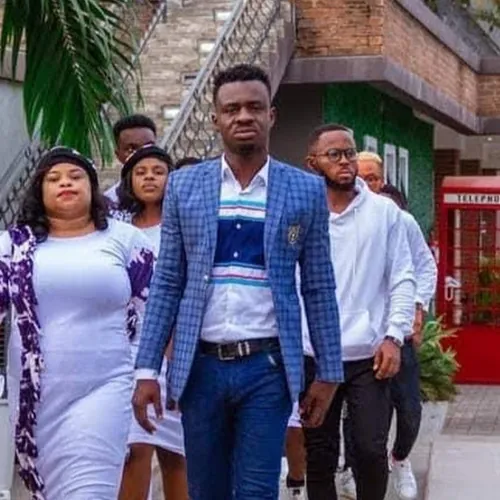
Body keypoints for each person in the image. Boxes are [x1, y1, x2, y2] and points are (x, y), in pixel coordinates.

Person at [132, 63, 344, 500]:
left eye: (254, 107)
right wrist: (147, 369)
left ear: (271, 115)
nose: (243, 116)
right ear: (216, 119)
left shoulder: (305, 190)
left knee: (256, 491)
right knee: (205, 490)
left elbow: (319, 286)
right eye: (232, 109)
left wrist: (328, 372)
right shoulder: (184, 186)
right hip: (200, 368)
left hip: (267, 367)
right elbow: (168, 281)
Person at [1, 147, 154, 500]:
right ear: (39, 191)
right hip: (37, 397)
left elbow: (156, 311)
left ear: (92, 186)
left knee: (90, 492)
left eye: (75, 176)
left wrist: (149, 372)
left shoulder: (125, 239)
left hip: (106, 385)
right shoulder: (13, 247)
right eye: (54, 179)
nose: (65, 183)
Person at [302, 124, 416, 500]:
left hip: (370, 356)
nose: (345, 161)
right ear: (312, 162)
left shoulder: (385, 213)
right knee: (319, 454)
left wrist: (394, 336)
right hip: (314, 354)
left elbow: (403, 277)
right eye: (334, 154)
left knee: (369, 450)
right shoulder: (300, 214)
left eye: (349, 152)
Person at [114, 144, 188, 500]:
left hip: (177, 349)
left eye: (159, 172)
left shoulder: (185, 227)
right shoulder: (115, 230)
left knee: (176, 455)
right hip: (127, 350)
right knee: (133, 449)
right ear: (129, 180)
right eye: (141, 172)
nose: (150, 178)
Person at [379, 184, 437, 500]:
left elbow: (426, 267)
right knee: (361, 414)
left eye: (374, 177)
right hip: (363, 337)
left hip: (399, 334)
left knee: (410, 409)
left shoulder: (404, 222)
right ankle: (350, 468)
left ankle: (400, 458)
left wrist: (418, 308)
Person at [105, 114, 157, 202]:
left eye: (148, 146)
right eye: (131, 149)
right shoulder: (110, 202)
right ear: (118, 155)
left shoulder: (174, 193)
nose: (142, 153)